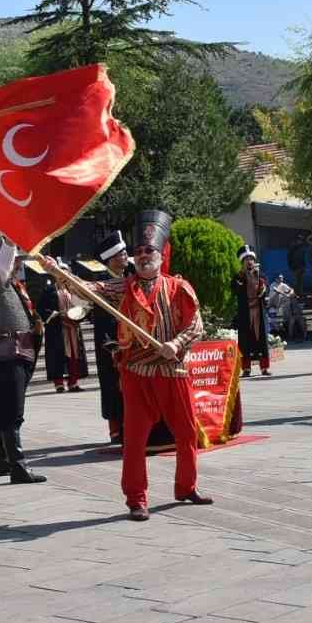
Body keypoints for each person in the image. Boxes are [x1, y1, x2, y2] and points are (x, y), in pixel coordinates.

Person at [117, 210, 210, 522]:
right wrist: (57, 272)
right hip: (138, 375)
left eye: (150, 251)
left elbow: (196, 326)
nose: (144, 256)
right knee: (134, 440)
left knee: (186, 434)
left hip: (173, 372)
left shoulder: (177, 287)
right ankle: (136, 499)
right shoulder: (122, 288)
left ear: (161, 254)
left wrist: (176, 344)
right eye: (139, 252)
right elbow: (88, 291)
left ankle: (186, 487)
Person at [0, 242, 47, 484]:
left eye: (19, 259)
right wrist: (10, 236)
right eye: (15, 259)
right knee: (12, 414)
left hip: (13, 354)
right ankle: (18, 467)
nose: (18, 263)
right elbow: (4, 260)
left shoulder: (12, 286)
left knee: (2, 414)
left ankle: (3, 462)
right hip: (8, 355)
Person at [86, 232, 130, 442]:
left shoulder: (130, 277)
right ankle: (115, 428)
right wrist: (111, 345)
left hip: (132, 340)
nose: (126, 256)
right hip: (111, 341)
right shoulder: (101, 283)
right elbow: (102, 319)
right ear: (111, 259)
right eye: (122, 253)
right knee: (113, 384)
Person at [39, 273, 88, 393]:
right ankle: (59, 384)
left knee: (74, 355)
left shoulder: (74, 290)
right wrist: (57, 315)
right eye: (61, 273)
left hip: (73, 327)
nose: (63, 276)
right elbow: (41, 308)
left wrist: (80, 314)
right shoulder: (49, 290)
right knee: (57, 356)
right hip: (57, 327)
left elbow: (83, 306)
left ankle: (73, 382)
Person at [231, 246, 272, 376]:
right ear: (242, 262)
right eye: (247, 259)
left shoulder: (261, 275)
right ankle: (246, 368)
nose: (249, 262)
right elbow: (235, 290)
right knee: (245, 342)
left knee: (262, 341)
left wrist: (261, 284)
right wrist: (245, 279)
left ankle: (264, 367)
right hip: (245, 314)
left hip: (259, 314)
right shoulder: (238, 277)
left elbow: (265, 290)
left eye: (251, 259)